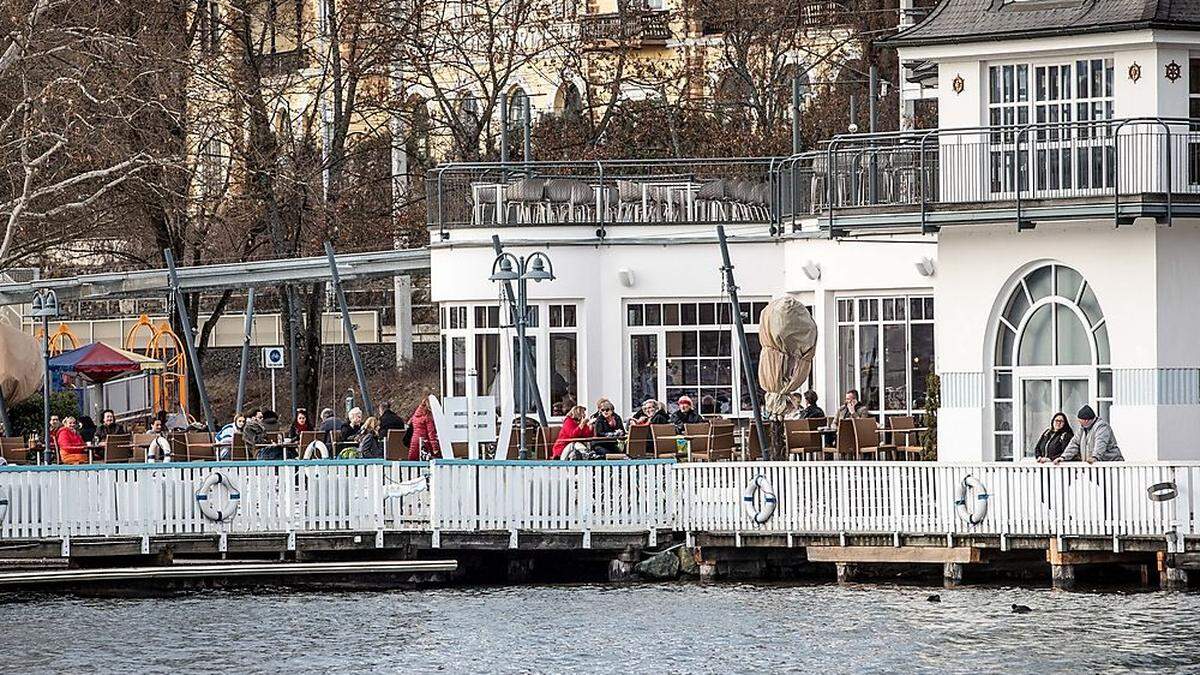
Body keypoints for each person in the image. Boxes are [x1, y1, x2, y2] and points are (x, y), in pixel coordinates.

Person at [1056, 405, 1123, 463]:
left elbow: (1101, 442)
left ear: (1086, 420)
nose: (1079, 423)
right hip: (1094, 466)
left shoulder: (1102, 427)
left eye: (1080, 421)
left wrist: (1095, 457)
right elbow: (1074, 443)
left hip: (1110, 465)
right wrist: (1063, 457)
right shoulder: (1082, 429)